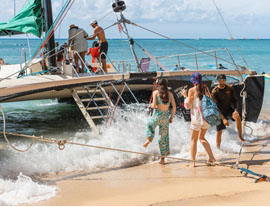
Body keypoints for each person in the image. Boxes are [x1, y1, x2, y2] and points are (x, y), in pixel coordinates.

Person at [181, 72, 216, 167]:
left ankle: (193, 162)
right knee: (202, 138)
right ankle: (211, 157)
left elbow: (188, 106)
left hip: (196, 119)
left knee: (193, 140)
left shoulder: (192, 90)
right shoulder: (206, 89)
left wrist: (185, 96)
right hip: (206, 118)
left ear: (193, 81)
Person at [143, 79, 176, 164]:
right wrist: (171, 118)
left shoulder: (156, 93)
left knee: (150, 126)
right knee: (163, 138)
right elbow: (174, 107)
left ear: (158, 84)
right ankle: (162, 159)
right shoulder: (170, 94)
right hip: (165, 118)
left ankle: (149, 139)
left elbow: (154, 106)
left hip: (157, 116)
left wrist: (150, 105)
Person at [211, 74, 245, 149]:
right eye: (220, 81)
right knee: (219, 131)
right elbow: (215, 107)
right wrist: (223, 119)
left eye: (223, 80)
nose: (221, 82)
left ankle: (240, 136)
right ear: (217, 81)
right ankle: (218, 148)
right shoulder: (214, 92)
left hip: (228, 109)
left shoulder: (230, 88)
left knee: (237, 116)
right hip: (219, 112)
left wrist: (235, 110)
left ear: (225, 80)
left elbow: (235, 100)